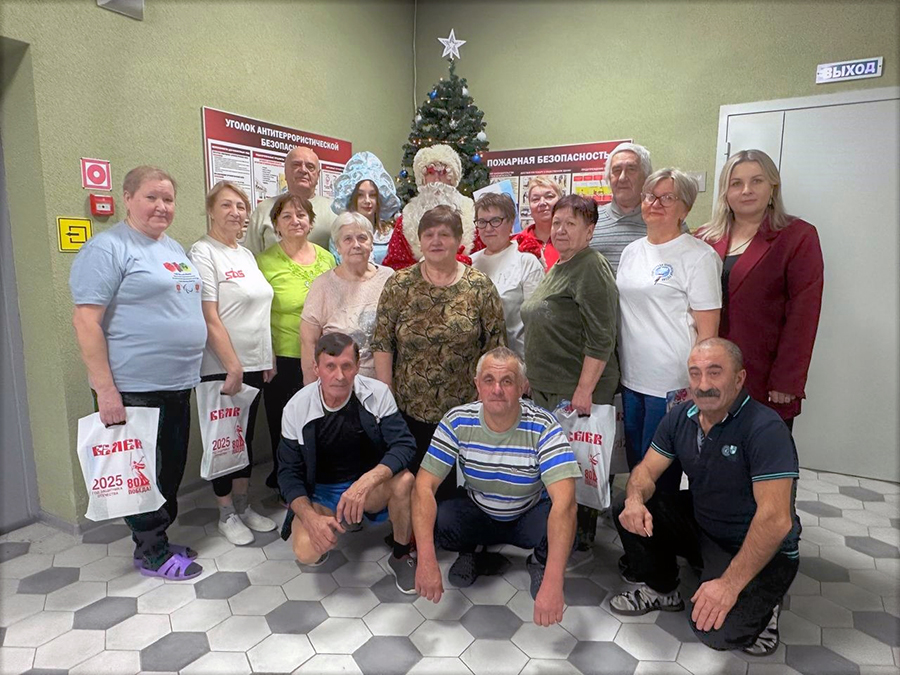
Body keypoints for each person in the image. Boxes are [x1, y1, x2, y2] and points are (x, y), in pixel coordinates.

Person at [609, 338, 800, 658]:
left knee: (717, 632)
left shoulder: (765, 428)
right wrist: (634, 501)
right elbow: (645, 471)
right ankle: (662, 589)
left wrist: (729, 585)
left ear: (739, 378)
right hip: (705, 524)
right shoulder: (680, 417)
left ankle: (765, 608)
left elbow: (776, 520)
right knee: (624, 507)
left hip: (756, 543)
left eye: (715, 372)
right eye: (695, 373)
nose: (703, 384)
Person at [70, 166, 207, 580]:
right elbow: (85, 321)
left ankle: (157, 538)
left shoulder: (173, 248)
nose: (161, 206)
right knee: (141, 475)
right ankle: (151, 552)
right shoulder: (108, 248)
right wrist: (105, 390)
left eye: (168, 199)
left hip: (176, 383)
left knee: (168, 470)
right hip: (133, 387)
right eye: (151, 197)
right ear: (127, 198)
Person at [413, 347, 579, 626]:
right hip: (479, 509)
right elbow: (423, 486)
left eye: (507, 381)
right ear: (477, 385)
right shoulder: (457, 420)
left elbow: (566, 502)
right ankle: (472, 552)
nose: (497, 390)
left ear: (523, 388)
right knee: (443, 518)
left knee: (568, 523)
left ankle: (539, 562)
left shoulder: (544, 425)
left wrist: (554, 582)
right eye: (489, 380)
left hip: (528, 514)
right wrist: (426, 560)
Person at [372, 205, 506, 500]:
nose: (436, 241)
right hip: (409, 409)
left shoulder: (479, 287)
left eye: (444, 234)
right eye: (429, 234)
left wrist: (487, 398)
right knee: (412, 488)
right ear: (419, 241)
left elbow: (495, 348)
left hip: (464, 412)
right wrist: (387, 395)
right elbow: (382, 342)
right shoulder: (399, 284)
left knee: (454, 496)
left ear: (459, 240)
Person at [520, 194, 619, 568]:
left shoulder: (590, 266)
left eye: (571, 224)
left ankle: (575, 547)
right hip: (549, 389)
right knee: (557, 473)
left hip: (575, 393)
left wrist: (584, 390)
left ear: (590, 231)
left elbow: (602, 336)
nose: (560, 229)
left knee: (574, 474)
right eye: (557, 222)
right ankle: (558, 538)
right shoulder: (561, 264)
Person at [277, 333, 418, 592]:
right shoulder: (296, 408)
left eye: (346, 366)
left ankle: (400, 554)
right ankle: (333, 523)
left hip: (367, 487)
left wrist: (367, 481)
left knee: (405, 480)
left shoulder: (377, 393)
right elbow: (288, 473)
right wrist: (310, 518)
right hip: (322, 492)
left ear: (357, 366)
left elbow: (404, 445)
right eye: (330, 366)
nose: (339, 376)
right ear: (316, 368)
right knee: (306, 552)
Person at [698, 150, 824, 429]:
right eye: (736, 183)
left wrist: (787, 380)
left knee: (763, 451)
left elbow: (803, 316)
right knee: (710, 451)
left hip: (764, 375)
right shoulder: (704, 238)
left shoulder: (797, 237)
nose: (746, 190)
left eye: (756, 181)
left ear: (772, 187)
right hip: (710, 374)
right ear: (725, 192)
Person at [617, 168, 722, 495]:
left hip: (672, 384)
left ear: (685, 209)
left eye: (667, 197)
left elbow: (708, 333)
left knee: (660, 475)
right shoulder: (632, 251)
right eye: (650, 196)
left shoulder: (699, 256)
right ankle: (636, 524)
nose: (655, 203)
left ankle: (657, 527)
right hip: (631, 378)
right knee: (635, 464)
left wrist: (700, 385)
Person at [187, 181, 277, 545]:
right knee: (224, 440)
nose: (235, 213)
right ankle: (225, 513)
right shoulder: (202, 252)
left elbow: (259, 311)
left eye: (241, 206)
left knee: (244, 439)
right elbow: (208, 315)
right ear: (211, 210)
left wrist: (266, 356)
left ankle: (243, 505)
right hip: (222, 365)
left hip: (253, 362)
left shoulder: (246, 255)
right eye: (226, 205)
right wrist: (233, 365)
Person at [256, 193, 336, 492]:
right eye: (286, 216)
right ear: (276, 224)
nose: (295, 221)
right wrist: (267, 356)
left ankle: (317, 480)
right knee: (284, 422)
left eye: (301, 215)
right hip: (284, 356)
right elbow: (258, 314)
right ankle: (286, 483)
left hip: (323, 357)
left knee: (320, 420)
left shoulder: (327, 258)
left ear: (310, 222)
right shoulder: (264, 262)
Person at [300, 211, 394, 384]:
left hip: (382, 384)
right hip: (337, 384)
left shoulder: (389, 278)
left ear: (371, 243)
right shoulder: (322, 285)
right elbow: (308, 342)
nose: (356, 245)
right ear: (338, 246)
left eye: (362, 238)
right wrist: (311, 390)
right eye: (348, 239)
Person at [470, 193, 544, 359]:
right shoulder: (471, 263)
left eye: (495, 220)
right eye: (482, 222)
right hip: (480, 363)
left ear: (511, 222)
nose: (488, 228)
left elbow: (537, 323)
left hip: (519, 360)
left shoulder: (526, 261)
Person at [381, 144, 476, 270]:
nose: (436, 179)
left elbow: (484, 257)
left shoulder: (472, 213)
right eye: (430, 172)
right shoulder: (407, 219)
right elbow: (395, 263)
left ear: (452, 177)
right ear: (422, 178)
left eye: (442, 172)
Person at [244, 146, 336, 253]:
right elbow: (249, 256)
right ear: (285, 172)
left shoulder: (334, 210)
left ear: (318, 175)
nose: (303, 170)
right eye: (296, 165)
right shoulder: (263, 209)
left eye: (310, 167)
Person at [590, 142, 652, 273]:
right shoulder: (589, 220)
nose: (623, 178)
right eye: (616, 171)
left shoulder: (665, 221)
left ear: (646, 177)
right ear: (608, 178)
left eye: (631, 169)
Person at [330, 151, 401, 264]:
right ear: (352, 199)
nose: (367, 201)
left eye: (372, 195)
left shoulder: (390, 234)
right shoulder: (340, 234)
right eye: (360, 195)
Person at [517, 176, 563, 269]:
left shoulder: (571, 239)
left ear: (560, 201)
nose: (542, 203)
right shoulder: (519, 242)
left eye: (549, 197)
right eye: (535, 199)